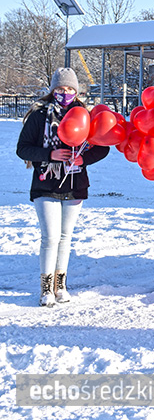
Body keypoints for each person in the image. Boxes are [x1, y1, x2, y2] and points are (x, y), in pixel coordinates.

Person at [16, 67, 109, 306]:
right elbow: (23, 148)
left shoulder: (85, 116)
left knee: (66, 238)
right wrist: (50, 154)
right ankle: (46, 288)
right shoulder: (39, 116)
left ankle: (61, 285)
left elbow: (103, 146)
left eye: (69, 89)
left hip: (75, 183)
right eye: (60, 88)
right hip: (45, 183)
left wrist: (83, 159)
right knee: (50, 237)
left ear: (76, 91)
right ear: (52, 90)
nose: (64, 93)